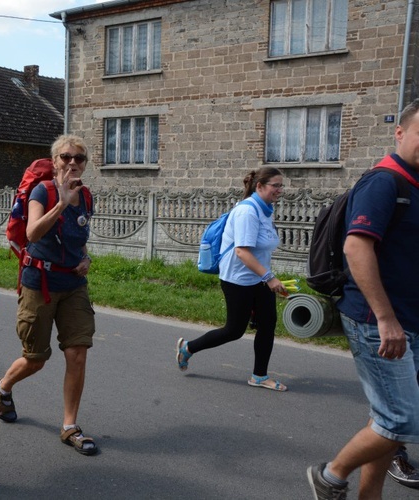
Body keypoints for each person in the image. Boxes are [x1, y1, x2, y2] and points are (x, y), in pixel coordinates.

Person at [306, 100, 419, 499]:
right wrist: (386, 319)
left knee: (388, 419)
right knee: (405, 420)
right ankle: (332, 475)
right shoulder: (384, 182)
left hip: (409, 320)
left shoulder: (415, 184)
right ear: (400, 133)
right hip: (378, 322)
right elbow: (357, 248)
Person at [0, 134, 98, 456]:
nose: (72, 163)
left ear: (85, 164)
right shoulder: (44, 191)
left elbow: (78, 237)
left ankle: (69, 426)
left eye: (78, 158)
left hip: (73, 286)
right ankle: (2, 387)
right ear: (55, 161)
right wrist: (62, 202)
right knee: (36, 359)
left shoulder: (88, 197)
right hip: (40, 283)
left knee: (77, 352)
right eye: (65, 157)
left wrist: (85, 258)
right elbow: (32, 232)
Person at [175, 167, 288, 392]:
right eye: (276, 185)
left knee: (267, 325)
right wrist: (270, 277)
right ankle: (188, 348)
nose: (280, 190)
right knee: (234, 330)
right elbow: (242, 252)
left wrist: (267, 277)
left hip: (259, 278)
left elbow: (260, 249)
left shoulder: (265, 210)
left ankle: (259, 376)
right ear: (260, 186)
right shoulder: (247, 212)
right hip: (237, 279)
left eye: (281, 185)